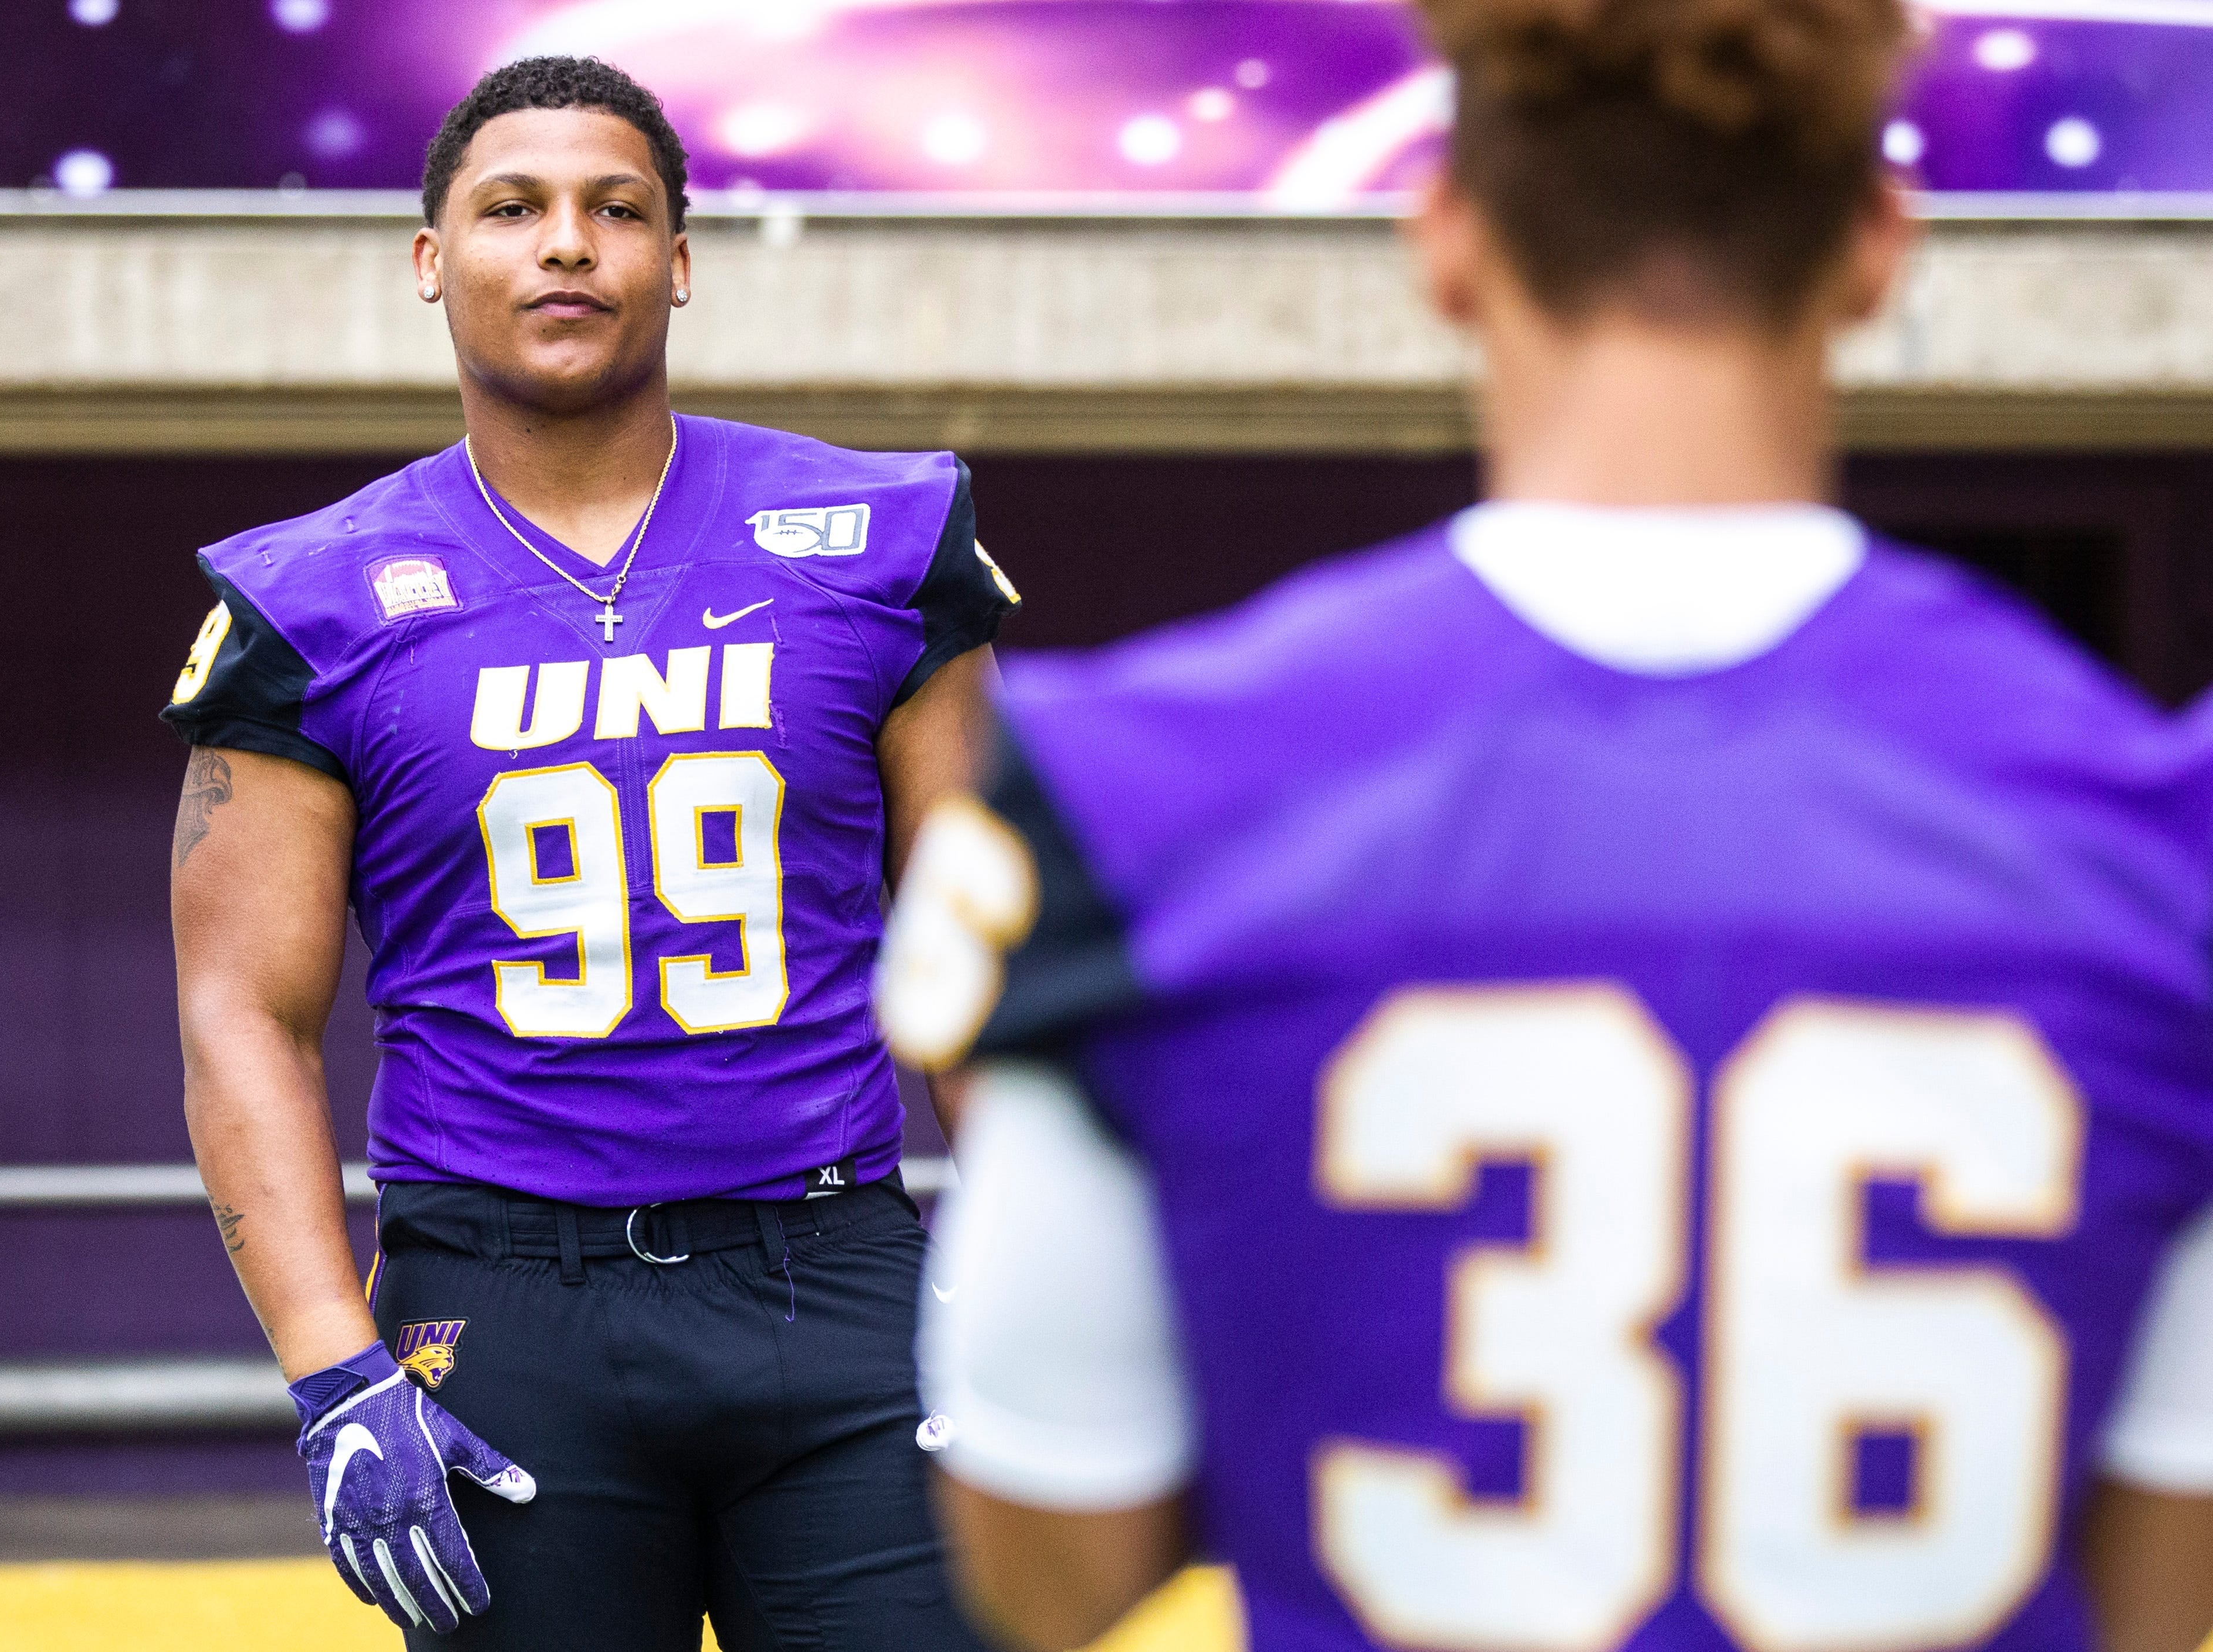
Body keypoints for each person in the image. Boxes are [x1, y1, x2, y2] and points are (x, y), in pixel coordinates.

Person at [876, 1, 2213, 1650]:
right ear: (1879, 246)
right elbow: (2162, 1589)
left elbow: (1054, 1556)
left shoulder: (1139, 800)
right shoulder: (2154, 832)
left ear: (1443, 236)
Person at [164, 57, 1014, 1650]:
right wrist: (337, 1368)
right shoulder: (312, 603)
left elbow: (984, 940)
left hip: (833, 1271)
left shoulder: (881, 541)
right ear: (433, 260)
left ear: (677, 260)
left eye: (616, 209)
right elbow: (240, 1014)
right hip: (503, 1301)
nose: (568, 244)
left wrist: (1034, 1273)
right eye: (513, 208)